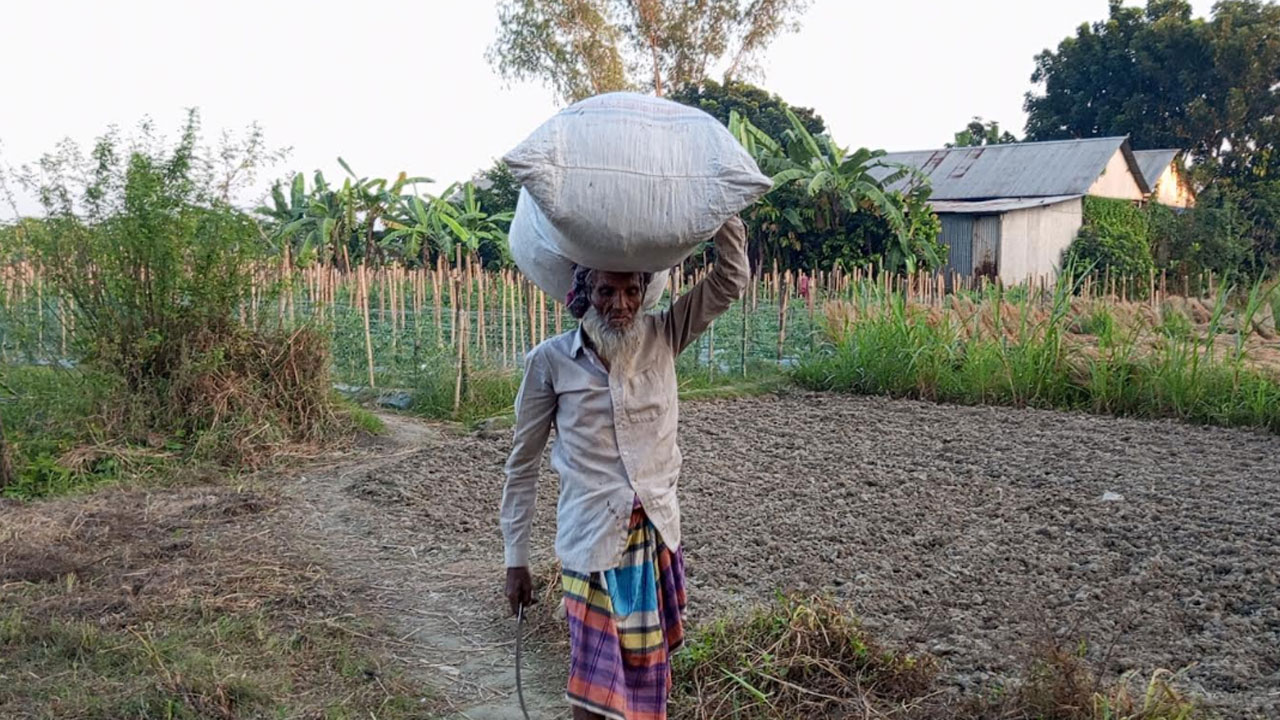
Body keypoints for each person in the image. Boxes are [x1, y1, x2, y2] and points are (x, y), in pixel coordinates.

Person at [500, 216, 749, 720]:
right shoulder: (550, 363)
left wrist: (723, 216)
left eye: (631, 291)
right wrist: (515, 559)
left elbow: (730, 281)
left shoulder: (666, 335)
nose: (620, 306)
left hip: (654, 536)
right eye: (606, 291)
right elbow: (522, 465)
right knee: (594, 689)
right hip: (590, 543)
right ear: (582, 293)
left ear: (644, 291)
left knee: (647, 680)